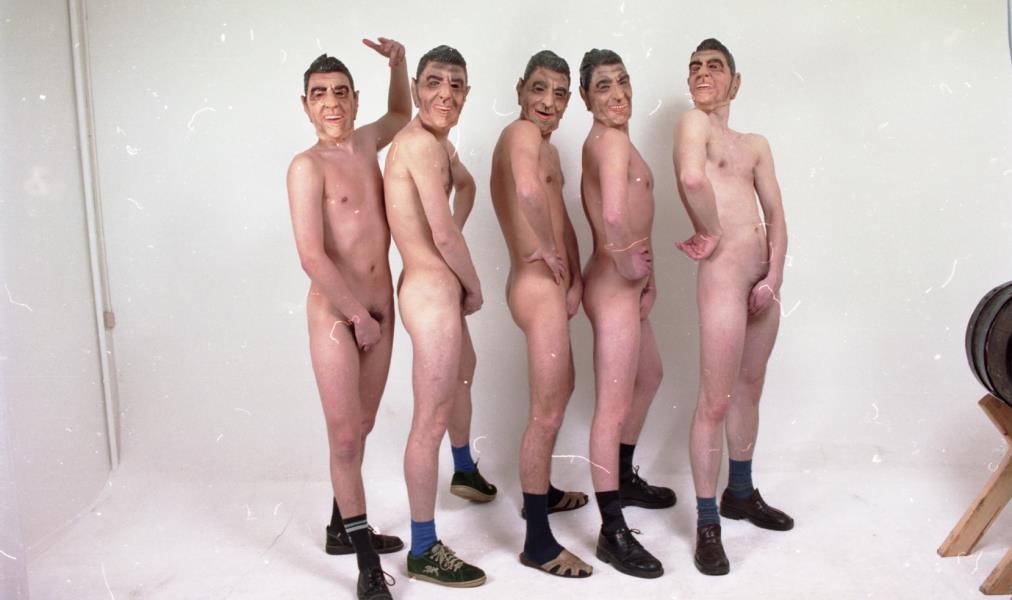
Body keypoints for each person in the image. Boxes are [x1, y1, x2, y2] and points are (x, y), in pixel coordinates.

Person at [286, 38, 409, 600]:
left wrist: (399, 65)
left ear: (355, 99)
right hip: (339, 314)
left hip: (378, 311)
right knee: (343, 441)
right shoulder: (306, 167)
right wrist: (357, 316)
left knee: (362, 426)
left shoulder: (365, 143)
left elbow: (402, 113)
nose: (331, 103)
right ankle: (365, 565)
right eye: (319, 95)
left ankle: (343, 527)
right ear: (306, 105)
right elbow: (311, 256)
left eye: (340, 92)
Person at [673, 38, 793, 577]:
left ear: (735, 82)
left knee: (750, 387)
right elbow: (691, 177)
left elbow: (777, 213)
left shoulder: (755, 144)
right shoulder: (693, 124)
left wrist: (774, 275)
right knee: (714, 401)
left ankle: (739, 493)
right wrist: (712, 230)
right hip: (722, 277)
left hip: (762, 281)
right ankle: (707, 523)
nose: (703, 73)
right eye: (695, 66)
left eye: (714, 66)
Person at [382, 45, 486, 588]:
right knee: (431, 418)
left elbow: (465, 187)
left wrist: (454, 253)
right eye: (434, 82)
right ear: (417, 88)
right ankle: (423, 549)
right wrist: (473, 286)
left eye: (456, 84)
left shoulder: (440, 144)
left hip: (436, 287)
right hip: (428, 292)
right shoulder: (419, 145)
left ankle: (464, 470)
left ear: (466, 93)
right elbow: (442, 234)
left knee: (465, 370)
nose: (445, 93)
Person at [489, 50, 592, 579]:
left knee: (562, 389)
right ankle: (537, 542)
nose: (548, 101)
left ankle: (542, 492)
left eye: (559, 93)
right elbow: (528, 192)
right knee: (546, 411)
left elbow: (560, 215)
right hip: (533, 287)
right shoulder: (522, 134)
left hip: (550, 286)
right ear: (520, 89)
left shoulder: (546, 148)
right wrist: (548, 251)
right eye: (539, 88)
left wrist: (575, 275)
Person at [577, 48, 666, 579]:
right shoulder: (609, 141)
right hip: (613, 287)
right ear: (586, 97)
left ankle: (624, 477)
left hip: (627, 285)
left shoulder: (614, 138)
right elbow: (613, 214)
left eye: (623, 81)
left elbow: (631, 214)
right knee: (611, 408)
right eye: (604, 86)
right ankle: (611, 531)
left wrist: (647, 275)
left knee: (649, 376)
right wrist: (626, 260)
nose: (618, 93)